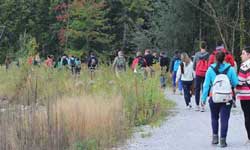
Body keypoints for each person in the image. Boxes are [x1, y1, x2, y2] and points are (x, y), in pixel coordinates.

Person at [201, 51, 238, 147]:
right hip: (227, 98)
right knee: (224, 119)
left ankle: (215, 138)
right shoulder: (230, 69)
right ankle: (223, 140)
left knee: (214, 117)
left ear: (215, 59)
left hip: (214, 97)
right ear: (225, 58)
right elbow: (235, 83)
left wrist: (203, 99)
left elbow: (206, 86)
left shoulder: (210, 69)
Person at [236, 47, 250, 145]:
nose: (241, 55)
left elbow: (240, 82)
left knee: (247, 117)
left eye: (243, 53)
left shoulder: (244, 66)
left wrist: (234, 90)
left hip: (246, 96)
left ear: (249, 55)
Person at [193, 41, 209, 111]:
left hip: (198, 74)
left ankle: (197, 105)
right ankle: (203, 105)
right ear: (206, 47)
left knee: (197, 89)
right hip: (205, 74)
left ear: (200, 47)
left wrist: (196, 70)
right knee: (204, 89)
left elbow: (194, 65)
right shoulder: (208, 55)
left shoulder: (196, 54)